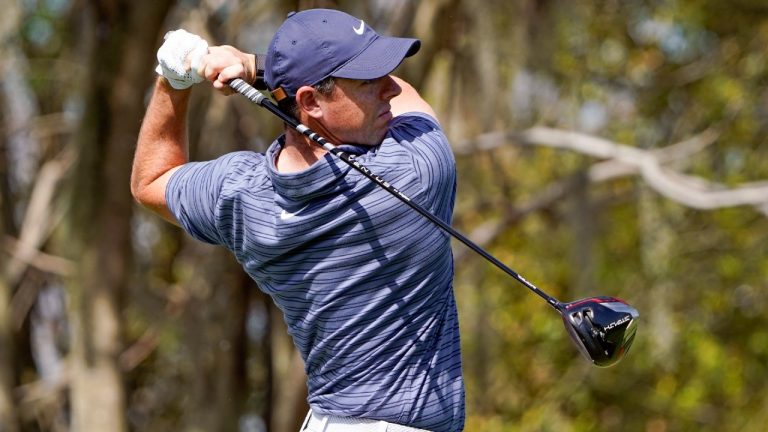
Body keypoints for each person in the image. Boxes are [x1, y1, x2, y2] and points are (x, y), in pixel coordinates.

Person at [131, 8, 464, 432]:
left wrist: (172, 80)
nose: (388, 88)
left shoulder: (240, 195)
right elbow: (408, 96)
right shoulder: (416, 171)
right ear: (309, 102)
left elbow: (151, 180)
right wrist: (254, 67)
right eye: (367, 81)